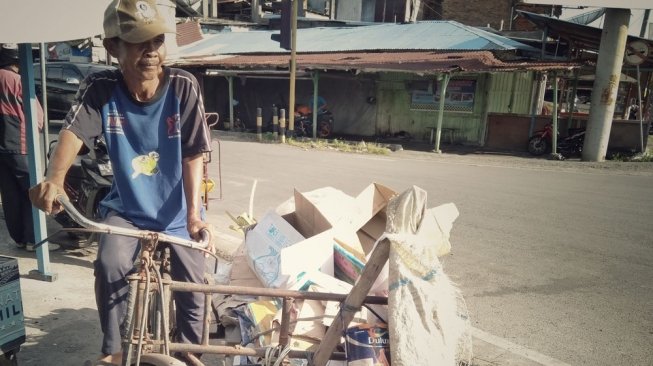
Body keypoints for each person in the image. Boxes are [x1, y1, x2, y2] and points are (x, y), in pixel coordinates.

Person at [28, 1, 213, 364]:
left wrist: (193, 215)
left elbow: (193, 155)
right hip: (126, 211)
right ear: (113, 46)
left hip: (177, 211)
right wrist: (54, 178)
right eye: (139, 42)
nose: (151, 51)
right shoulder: (101, 86)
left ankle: (191, 354)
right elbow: (73, 131)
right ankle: (113, 352)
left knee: (194, 285)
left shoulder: (183, 86)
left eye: (157, 41)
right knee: (109, 265)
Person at [0, 43, 55, 252]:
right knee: (34, 192)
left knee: (10, 195)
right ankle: (35, 240)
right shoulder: (18, 81)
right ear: (18, 60)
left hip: (2, 147)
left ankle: (20, 239)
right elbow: (37, 116)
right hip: (21, 144)